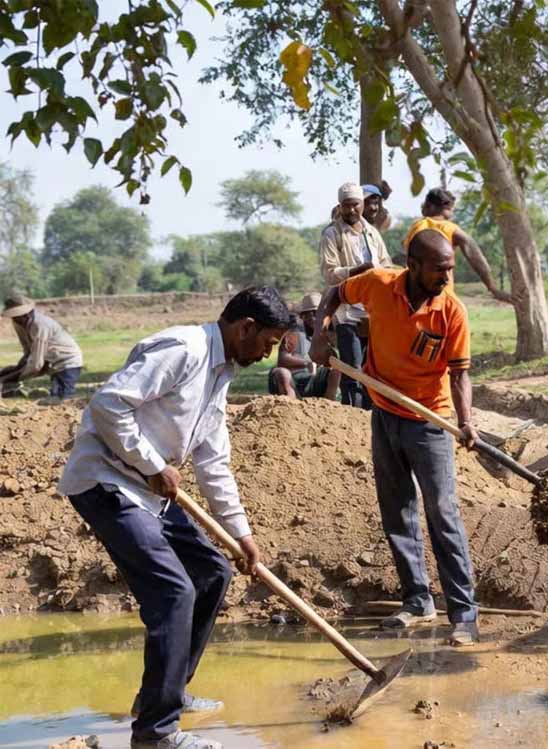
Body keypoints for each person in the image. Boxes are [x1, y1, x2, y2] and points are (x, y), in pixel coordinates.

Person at [58, 287, 293, 749]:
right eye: (268, 342)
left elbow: (213, 461)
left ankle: (163, 695)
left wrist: (240, 534)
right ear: (245, 327)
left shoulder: (221, 372)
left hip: (148, 490)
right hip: (107, 482)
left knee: (212, 572)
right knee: (173, 591)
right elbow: (107, 404)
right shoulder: (184, 349)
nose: (268, 355)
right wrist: (151, 465)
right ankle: (156, 733)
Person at [310, 229, 480, 646]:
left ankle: (463, 614)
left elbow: (460, 374)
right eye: (439, 270)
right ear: (413, 266)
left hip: (430, 422)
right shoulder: (378, 284)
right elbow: (334, 294)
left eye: (450, 269)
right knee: (397, 510)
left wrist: (467, 421)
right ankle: (418, 601)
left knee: (442, 513)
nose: (446, 277)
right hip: (384, 413)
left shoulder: (451, 311)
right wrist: (320, 332)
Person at [320, 182, 392, 408]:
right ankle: (353, 417)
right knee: (352, 372)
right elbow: (329, 273)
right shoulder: (332, 234)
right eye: (346, 205)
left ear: (362, 204)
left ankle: (372, 417)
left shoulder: (372, 233)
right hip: (348, 313)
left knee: (375, 371)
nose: (351, 210)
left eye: (355, 205)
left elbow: (386, 264)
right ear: (339, 205)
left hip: (374, 312)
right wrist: (357, 271)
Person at [403, 187, 512, 302]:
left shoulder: (415, 227)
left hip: (411, 294)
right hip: (440, 296)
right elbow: (474, 255)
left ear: (429, 206)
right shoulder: (449, 228)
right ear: (448, 209)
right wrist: (492, 287)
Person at [1, 294, 84, 402]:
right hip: (50, 360)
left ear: (26, 314)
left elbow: (36, 365)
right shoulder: (18, 323)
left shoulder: (41, 325)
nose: (15, 319)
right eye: (13, 317)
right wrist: (15, 370)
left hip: (67, 361)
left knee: (62, 398)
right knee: (54, 394)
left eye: (17, 316)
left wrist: (9, 378)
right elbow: (27, 350)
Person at [268, 292, 339, 400]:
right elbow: (282, 359)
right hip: (293, 380)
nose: (312, 318)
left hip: (313, 382)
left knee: (336, 372)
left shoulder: (327, 335)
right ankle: (293, 405)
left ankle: (328, 405)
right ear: (302, 317)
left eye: (315, 313)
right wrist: (306, 363)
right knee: (282, 373)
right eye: (307, 314)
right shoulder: (294, 334)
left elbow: (332, 361)